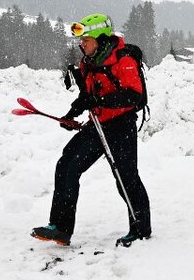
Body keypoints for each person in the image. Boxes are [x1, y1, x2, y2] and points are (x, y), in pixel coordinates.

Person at [31, 13, 151, 248]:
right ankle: (61, 228)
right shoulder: (88, 63)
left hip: (122, 125)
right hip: (98, 125)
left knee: (125, 178)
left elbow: (133, 95)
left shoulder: (123, 59)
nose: (81, 44)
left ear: (99, 39)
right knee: (67, 165)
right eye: (81, 41)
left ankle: (140, 228)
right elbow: (87, 97)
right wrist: (71, 115)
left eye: (86, 40)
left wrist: (99, 100)